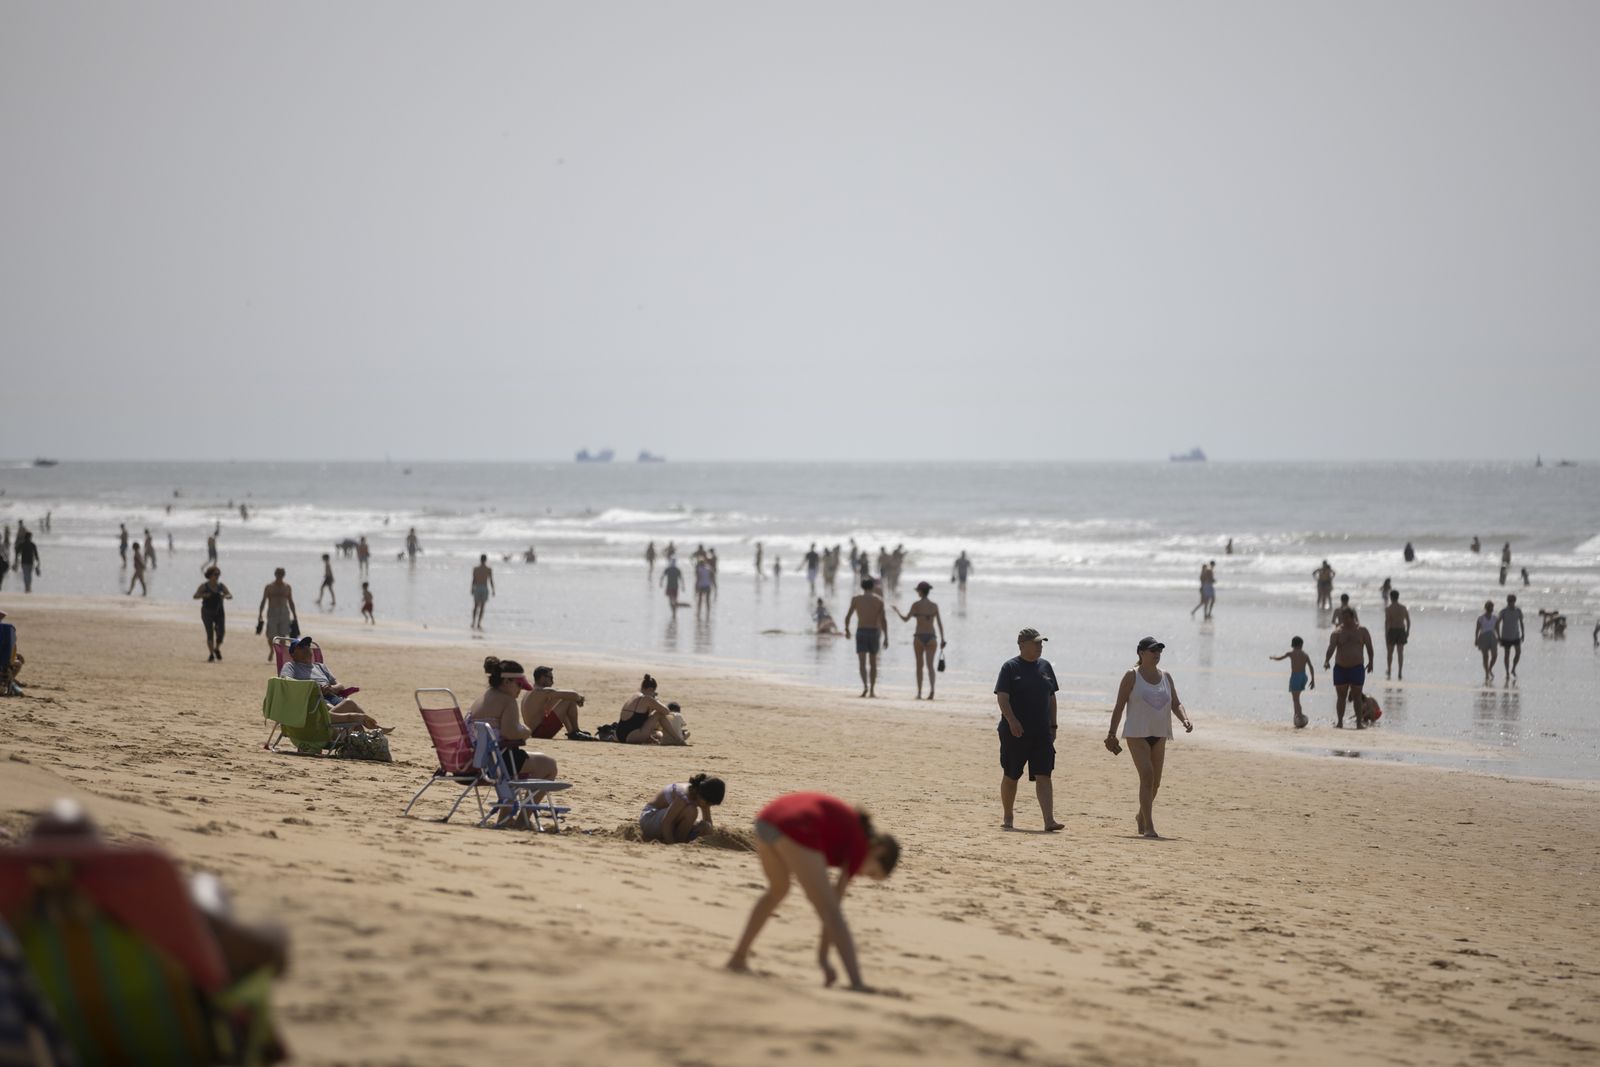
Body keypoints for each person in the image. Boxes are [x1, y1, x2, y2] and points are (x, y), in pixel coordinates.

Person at [726, 792, 900, 990]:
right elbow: (833, 912)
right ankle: (856, 982)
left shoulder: (852, 833)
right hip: (796, 828)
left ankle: (737, 959)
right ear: (879, 851)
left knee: (778, 890)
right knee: (830, 911)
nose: (863, 876)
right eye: (872, 873)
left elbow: (832, 909)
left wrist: (823, 957)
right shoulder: (861, 844)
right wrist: (824, 959)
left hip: (765, 821)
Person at [1105, 637, 1194, 837]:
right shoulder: (1132, 676)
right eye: (1152, 651)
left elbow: (1176, 703)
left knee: (1155, 783)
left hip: (1160, 734)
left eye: (1159, 651)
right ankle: (1149, 826)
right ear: (1141, 653)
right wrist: (1112, 733)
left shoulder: (1166, 676)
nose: (1156, 654)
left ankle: (1140, 815)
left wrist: (1185, 719)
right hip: (1137, 733)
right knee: (1147, 775)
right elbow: (1119, 706)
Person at [995, 628, 1063, 831]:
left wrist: (1054, 725)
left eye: (1041, 643)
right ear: (1022, 645)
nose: (1040, 646)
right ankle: (1008, 816)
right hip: (1015, 732)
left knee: (1044, 774)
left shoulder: (1045, 666)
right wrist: (1012, 721)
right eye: (1036, 643)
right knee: (1012, 774)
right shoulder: (1010, 667)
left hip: (1042, 732)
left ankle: (1049, 821)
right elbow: (1002, 698)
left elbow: (1052, 698)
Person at [467, 657, 558, 782]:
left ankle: (518, 799)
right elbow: (509, 733)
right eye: (519, 685)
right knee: (549, 766)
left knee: (532, 762)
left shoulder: (483, 698)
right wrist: (526, 731)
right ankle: (527, 802)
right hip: (494, 763)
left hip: (470, 763)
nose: (520, 690)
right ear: (506, 681)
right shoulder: (508, 701)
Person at [279, 636, 391, 731]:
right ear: (293, 653)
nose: (307, 648)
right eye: (302, 646)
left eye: (308, 645)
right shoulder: (291, 666)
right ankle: (371, 726)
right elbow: (286, 680)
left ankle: (365, 734)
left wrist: (331, 688)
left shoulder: (320, 666)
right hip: (313, 699)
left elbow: (340, 685)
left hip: (331, 695)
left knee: (349, 706)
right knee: (343, 705)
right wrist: (313, 687)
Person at [1323, 608, 1375, 728]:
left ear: (1353, 617)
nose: (1344, 620)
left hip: (1357, 668)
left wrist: (1371, 662)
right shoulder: (1337, 632)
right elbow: (1331, 648)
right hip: (1340, 668)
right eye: (1342, 617)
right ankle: (1340, 722)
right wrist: (1326, 660)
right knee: (1341, 697)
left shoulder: (1362, 631)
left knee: (1357, 696)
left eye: (1346, 617)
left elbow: (1369, 647)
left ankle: (1358, 723)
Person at [893, 581, 945, 699]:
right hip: (932, 637)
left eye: (918, 591)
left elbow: (905, 619)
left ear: (921, 591)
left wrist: (897, 611)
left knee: (919, 666)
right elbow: (940, 624)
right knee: (930, 666)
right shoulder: (934, 605)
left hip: (919, 637)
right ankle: (932, 690)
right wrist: (942, 639)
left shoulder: (916, 605)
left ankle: (919, 693)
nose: (917, 592)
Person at [638, 773, 725, 843]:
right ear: (700, 793)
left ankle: (681, 841)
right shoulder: (683, 796)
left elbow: (708, 824)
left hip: (664, 822)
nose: (707, 806)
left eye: (711, 804)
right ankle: (679, 843)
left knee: (705, 827)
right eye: (707, 802)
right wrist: (672, 846)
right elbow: (666, 822)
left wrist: (705, 827)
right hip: (650, 819)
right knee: (691, 811)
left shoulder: (700, 796)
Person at [521, 665, 596, 741]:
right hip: (540, 732)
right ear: (542, 678)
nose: (552, 681)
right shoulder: (541, 691)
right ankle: (575, 731)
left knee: (562, 699)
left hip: (534, 732)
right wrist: (580, 699)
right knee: (569, 700)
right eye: (551, 678)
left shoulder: (530, 691)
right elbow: (574, 695)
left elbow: (548, 708)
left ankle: (571, 732)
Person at [843, 577, 889, 698]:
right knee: (873, 663)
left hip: (861, 631)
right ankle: (872, 690)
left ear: (862, 587)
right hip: (874, 632)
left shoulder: (856, 599)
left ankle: (865, 686)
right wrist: (886, 637)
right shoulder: (879, 600)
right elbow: (883, 620)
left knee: (862, 662)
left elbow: (848, 616)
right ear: (873, 587)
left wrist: (847, 630)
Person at [614, 674, 687, 745]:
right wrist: (656, 700)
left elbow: (638, 722)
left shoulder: (634, 696)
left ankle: (655, 738)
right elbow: (666, 711)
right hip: (631, 736)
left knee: (657, 733)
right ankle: (678, 739)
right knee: (659, 714)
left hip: (618, 735)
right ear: (651, 689)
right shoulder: (647, 698)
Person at [1270, 636, 1315, 728]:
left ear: (1292, 645)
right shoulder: (1305, 654)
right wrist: (1313, 680)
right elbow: (1311, 666)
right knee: (1296, 697)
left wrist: (1273, 657)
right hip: (1303, 676)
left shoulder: (1291, 653)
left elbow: (1280, 658)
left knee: (1296, 699)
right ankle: (1296, 717)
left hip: (1296, 677)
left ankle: (1300, 716)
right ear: (1301, 644)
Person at [193, 565, 232, 661]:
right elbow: (195, 596)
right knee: (209, 633)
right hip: (207, 612)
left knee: (221, 633)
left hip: (219, 612)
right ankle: (211, 654)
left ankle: (217, 649)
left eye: (218, 574)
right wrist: (204, 595)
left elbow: (230, 595)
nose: (217, 576)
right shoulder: (204, 586)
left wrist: (225, 596)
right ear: (210, 575)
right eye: (215, 574)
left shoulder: (221, 586)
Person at [257, 568, 298, 658]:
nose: (279, 575)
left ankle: (280, 655)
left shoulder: (287, 587)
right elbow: (263, 601)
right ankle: (272, 650)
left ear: (284, 575)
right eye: (278, 573)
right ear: (275, 574)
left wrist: (295, 615)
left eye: (281, 574)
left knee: (283, 636)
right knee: (271, 636)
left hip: (284, 612)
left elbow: (291, 601)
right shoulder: (269, 587)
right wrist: (260, 614)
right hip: (272, 611)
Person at [1496, 594, 1525, 682]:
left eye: (1512, 601)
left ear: (1514, 601)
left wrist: (1523, 633)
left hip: (1516, 635)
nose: (1510, 603)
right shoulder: (1503, 611)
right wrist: (1499, 636)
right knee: (1507, 655)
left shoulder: (1518, 610)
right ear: (1507, 601)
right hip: (1506, 637)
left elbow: (1521, 622)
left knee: (1518, 653)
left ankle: (1513, 668)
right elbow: (1497, 623)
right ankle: (1507, 672)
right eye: (1509, 601)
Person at [1384, 590, 1411, 680]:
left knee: (1390, 653)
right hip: (1401, 630)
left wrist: (1386, 634)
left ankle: (1389, 669)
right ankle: (1399, 672)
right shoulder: (1403, 608)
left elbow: (1387, 622)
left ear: (1391, 598)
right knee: (1400, 653)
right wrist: (1407, 631)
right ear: (1398, 597)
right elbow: (1408, 621)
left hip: (1392, 630)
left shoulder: (1388, 609)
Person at [1474, 600, 1499, 684]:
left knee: (1495, 655)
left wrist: (1499, 637)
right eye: (1489, 607)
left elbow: (1497, 628)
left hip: (1492, 636)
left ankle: (1490, 668)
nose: (1490, 609)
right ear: (1486, 608)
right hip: (1483, 636)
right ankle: (1487, 673)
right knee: (1485, 656)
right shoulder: (1481, 618)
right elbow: (1477, 629)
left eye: (1491, 607)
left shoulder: (1495, 618)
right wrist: (1476, 639)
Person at [470, 554, 495, 629]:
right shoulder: (488, 569)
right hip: (484, 588)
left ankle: (473, 622)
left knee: (475, 606)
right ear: (486, 560)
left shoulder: (475, 569)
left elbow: (474, 580)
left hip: (477, 588)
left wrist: (472, 588)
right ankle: (478, 623)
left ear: (480, 559)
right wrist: (493, 589)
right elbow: (491, 580)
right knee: (482, 607)